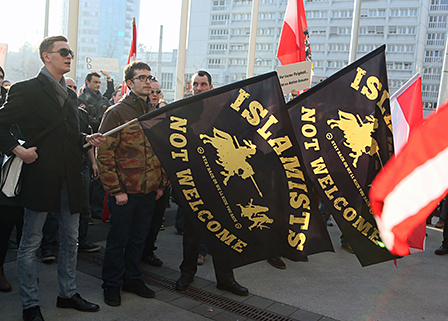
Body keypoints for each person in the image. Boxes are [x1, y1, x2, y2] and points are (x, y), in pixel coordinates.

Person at [0, 35, 104, 321]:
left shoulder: (69, 95)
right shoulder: (25, 89)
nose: (70, 56)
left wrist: (86, 137)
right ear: (47, 56)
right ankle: (30, 305)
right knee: (30, 242)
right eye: (64, 52)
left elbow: (69, 134)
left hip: (70, 177)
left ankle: (67, 294)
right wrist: (18, 149)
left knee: (71, 240)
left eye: (71, 52)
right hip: (40, 177)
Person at [97, 60, 168, 307]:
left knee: (139, 239)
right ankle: (112, 284)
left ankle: (132, 278)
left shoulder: (155, 111)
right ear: (129, 83)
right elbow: (105, 155)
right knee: (118, 241)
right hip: (125, 193)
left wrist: (161, 184)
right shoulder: (116, 112)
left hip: (149, 191)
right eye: (142, 78)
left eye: (150, 77)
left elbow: (163, 150)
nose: (148, 82)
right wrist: (116, 191)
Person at [175, 70, 249, 296]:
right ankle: (186, 275)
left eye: (203, 84)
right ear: (190, 86)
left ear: (210, 86)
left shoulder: (220, 110)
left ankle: (225, 279)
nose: (198, 88)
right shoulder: (180, 111)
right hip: (192, 183)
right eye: (195, 84)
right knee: (191, 235)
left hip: (219, 185)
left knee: (224, 234)